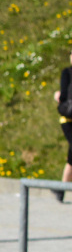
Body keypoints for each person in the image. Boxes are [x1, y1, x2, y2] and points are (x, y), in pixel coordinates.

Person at [54, 51, 72, 203]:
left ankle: (61, 188)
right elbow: (64, 95)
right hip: (68, 120)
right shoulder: (67, 72)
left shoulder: (67, 72)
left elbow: (63, 95)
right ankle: (61, 188)